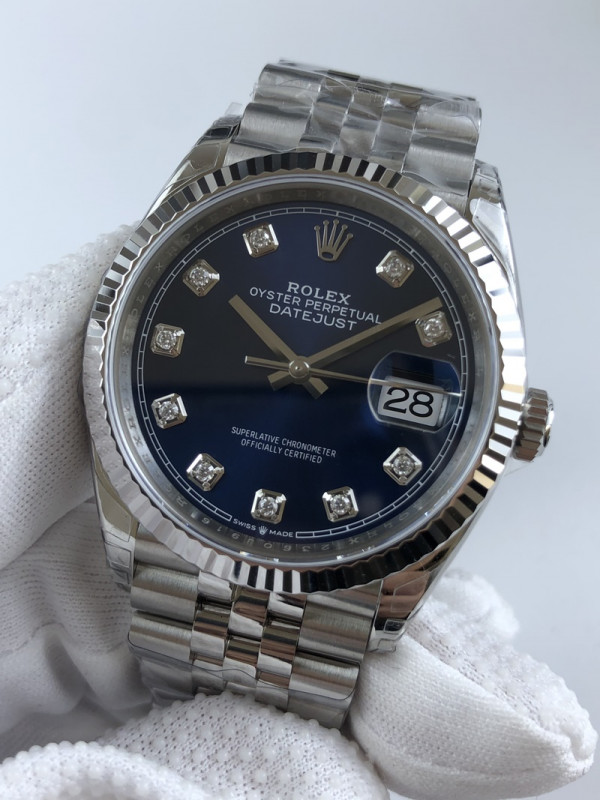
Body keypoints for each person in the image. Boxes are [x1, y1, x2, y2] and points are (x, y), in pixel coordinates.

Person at [0, 227, 595, 799]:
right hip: (169, 523)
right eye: (291, 364)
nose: (299, 370)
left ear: (518, 425)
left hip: (334, 555)